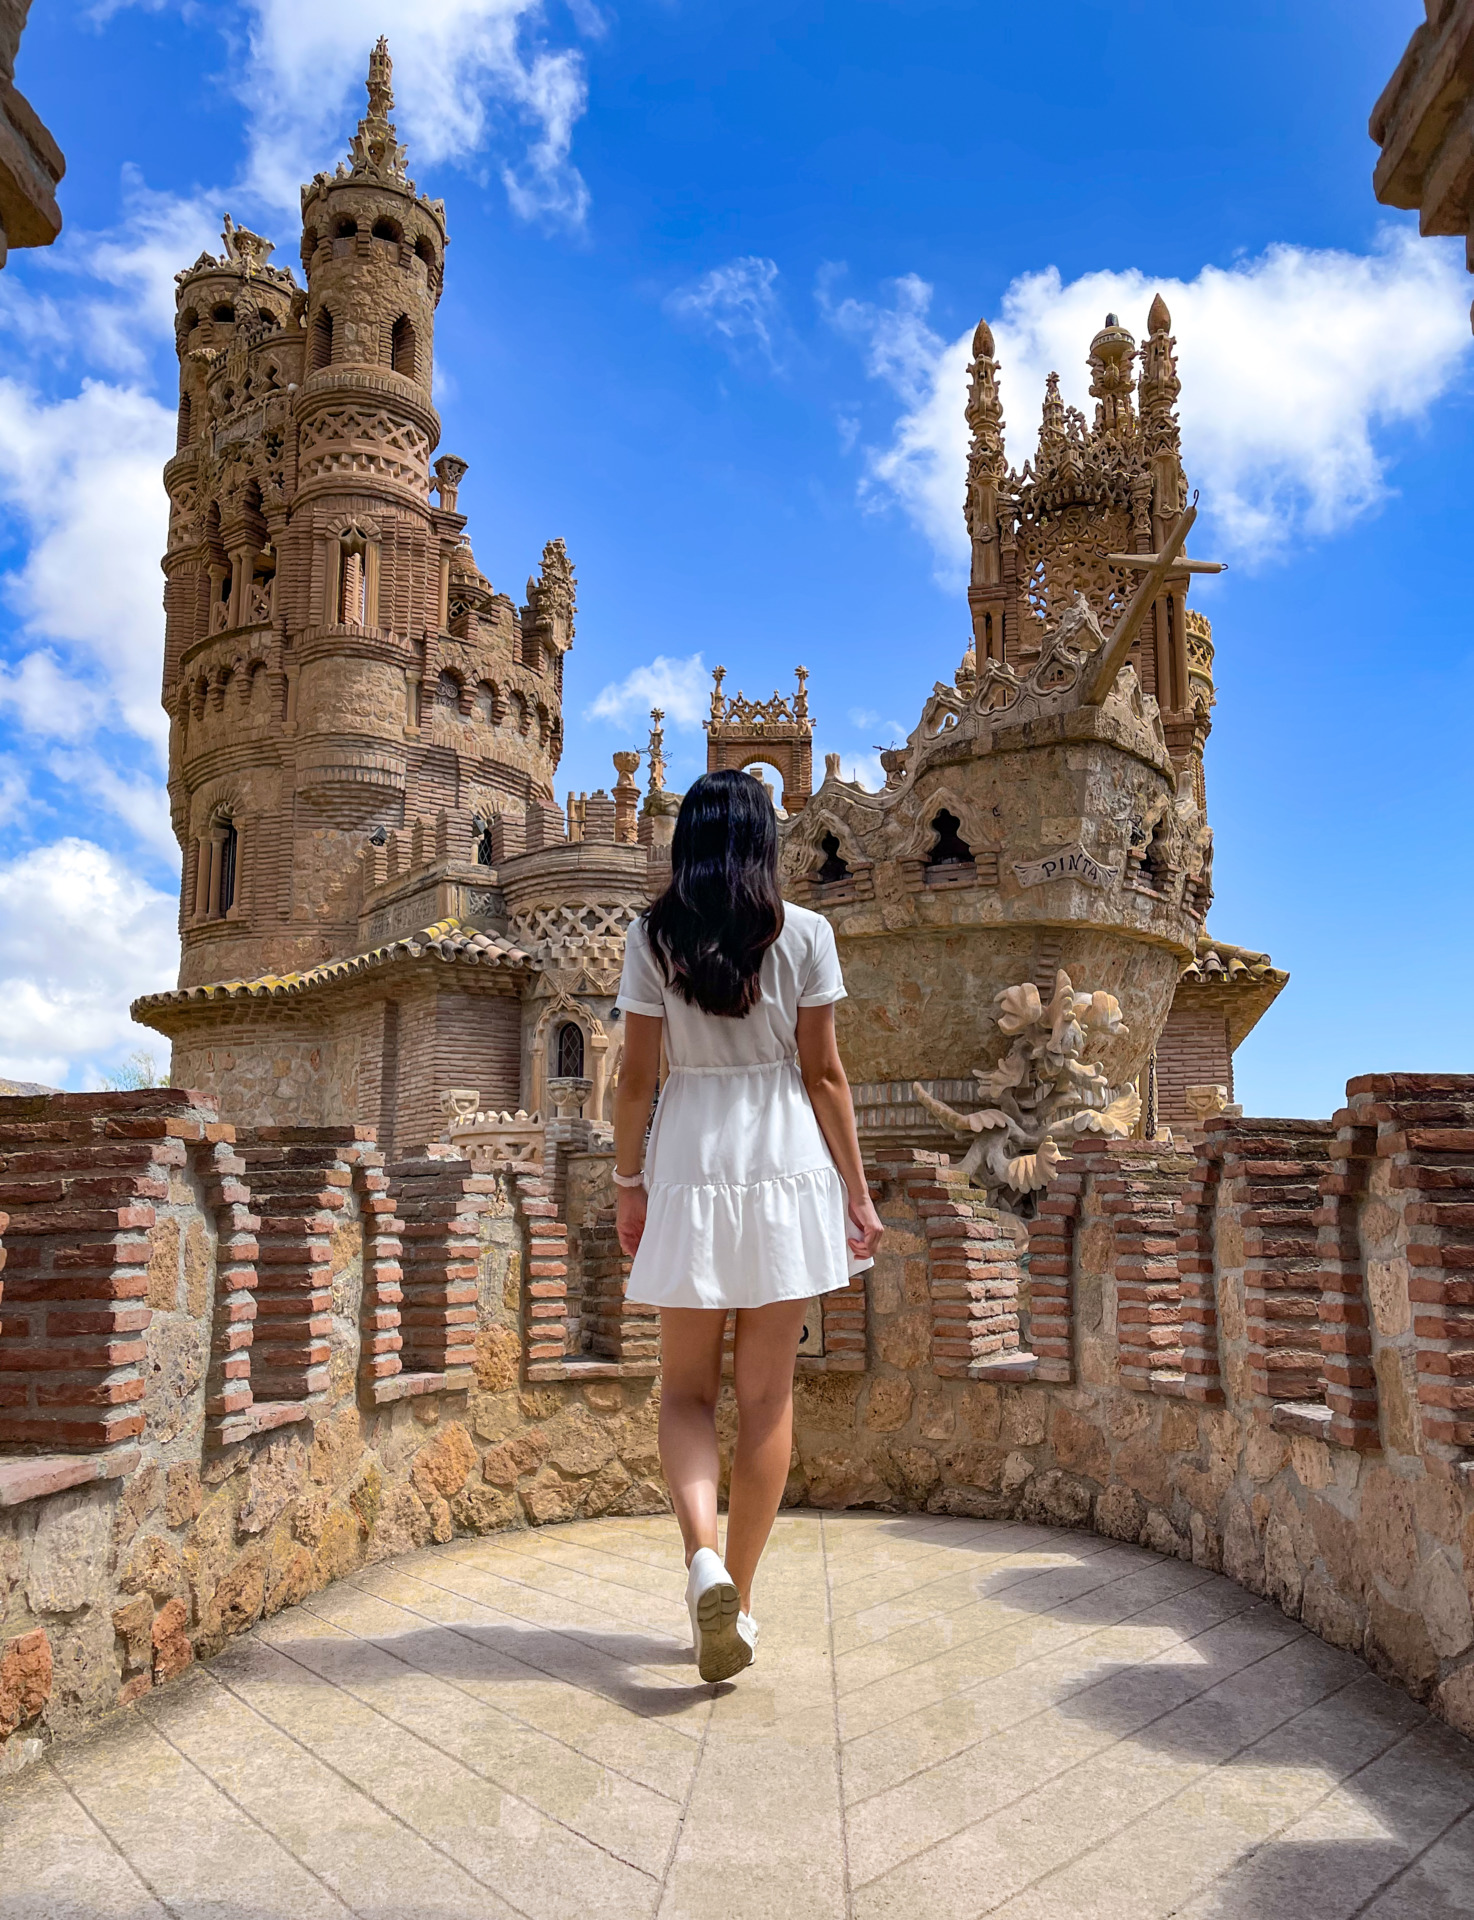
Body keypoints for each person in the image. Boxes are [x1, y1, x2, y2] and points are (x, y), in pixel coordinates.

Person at [612, 768, 884, 1682]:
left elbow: (635, 1082)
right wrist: (856, 1190)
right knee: (767, 1397)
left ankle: (700, 1562)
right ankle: (743, 1594)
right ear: (767, 844)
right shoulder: (807, 934)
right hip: (785, 1169)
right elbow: (826, 1076)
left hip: (688, 1163)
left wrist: (626, 1181)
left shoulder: (652, 938)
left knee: (686, 1393)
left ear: (688, 844)